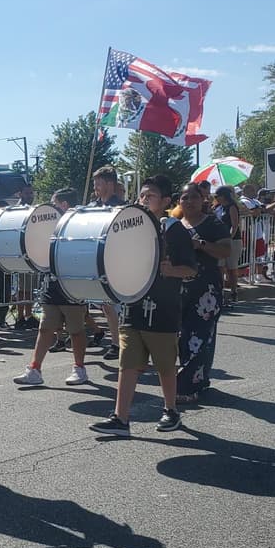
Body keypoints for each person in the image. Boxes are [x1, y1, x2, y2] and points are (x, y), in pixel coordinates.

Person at [91, 175, 196, 436]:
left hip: (163, 307)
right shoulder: (130, 228)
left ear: (165, 201)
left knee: (164, 365)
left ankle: (171, 410)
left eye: (150, 195)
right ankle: (120, 418)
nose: (144, 199)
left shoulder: (175, 230)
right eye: (142, 195)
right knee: (127, 364)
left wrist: (172, 270)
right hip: (134, 305)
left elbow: (191, 269)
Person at [13, 187, 89, 387]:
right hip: (52, 283)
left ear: (64, 205)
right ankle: (35, 369)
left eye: (55, 204)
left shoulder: (80, 224)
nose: (52, 208)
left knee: (76, 330)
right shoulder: (51, 227)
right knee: (45, 328)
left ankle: (79, 368)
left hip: (72, 285)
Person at [176, 181, 233, 404]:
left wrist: (200, 244)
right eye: (184, 198)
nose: (189, 201)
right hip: (179, 289)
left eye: (194, 197)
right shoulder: (175, 225)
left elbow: (225, 249)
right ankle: (200, 380)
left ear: (203, 200)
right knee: (183, 338)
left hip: (206, 291)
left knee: (199, 337)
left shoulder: (213, 223)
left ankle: (188, 386)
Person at [90, 166, 124, 360]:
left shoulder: (121, 208)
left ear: (110, 184)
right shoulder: (92, 207)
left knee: (113, 307)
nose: (95, 186)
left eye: (99, 183)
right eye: (95, 182)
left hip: (116, 261)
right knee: (106, 306)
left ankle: (118, 343)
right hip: (97, 260)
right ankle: (116, 342)